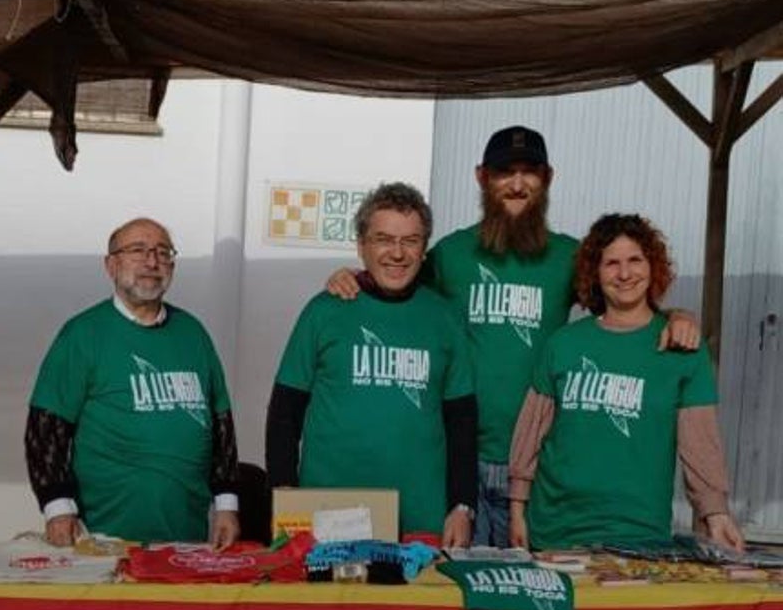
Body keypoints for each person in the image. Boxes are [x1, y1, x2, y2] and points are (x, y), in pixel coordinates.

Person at [326, 126, 699, 546]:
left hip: (531, 466)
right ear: (482, 177)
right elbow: (392, 284)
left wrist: (675, 315)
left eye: (530, 172)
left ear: (548, 178)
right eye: (505, 172)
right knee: (451, 592)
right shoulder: (451, 254)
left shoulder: (567, 257)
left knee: (519, 594)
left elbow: (624, 307)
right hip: (454, 460)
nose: (518, 184)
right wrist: (351, 277)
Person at [508, 214, 744, 552]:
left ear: (653, 266)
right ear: (595, 272)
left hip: (639, 535)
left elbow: (700, 443)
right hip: (554, 531)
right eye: (611, 263)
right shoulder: (563, 344)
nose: (624, 274)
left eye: (635, 260)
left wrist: (716, 514)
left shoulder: (683, 349)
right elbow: (531, 431)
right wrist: (518, 510)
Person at [267, 183, 478, 547]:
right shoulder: (324, 311)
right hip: (327, 517)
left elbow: (462, 424)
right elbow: (284, 415)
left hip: (420, 521)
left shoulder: (444, 318)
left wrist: (462, 506)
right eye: (383, 239)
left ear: (424, 249)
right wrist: (284, 499)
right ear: (361, 245)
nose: (397, 253)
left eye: (410, 241)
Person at [25, 218, 240, 548]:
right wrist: (58, 509)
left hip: (188, 538)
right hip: (103, 539)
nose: (152, 262)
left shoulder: (193, 333)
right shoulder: (82, 335)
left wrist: (227, 507)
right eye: (138, 250)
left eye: (163, 252)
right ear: (111, 265)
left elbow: (222, 427)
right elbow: (45, 430)